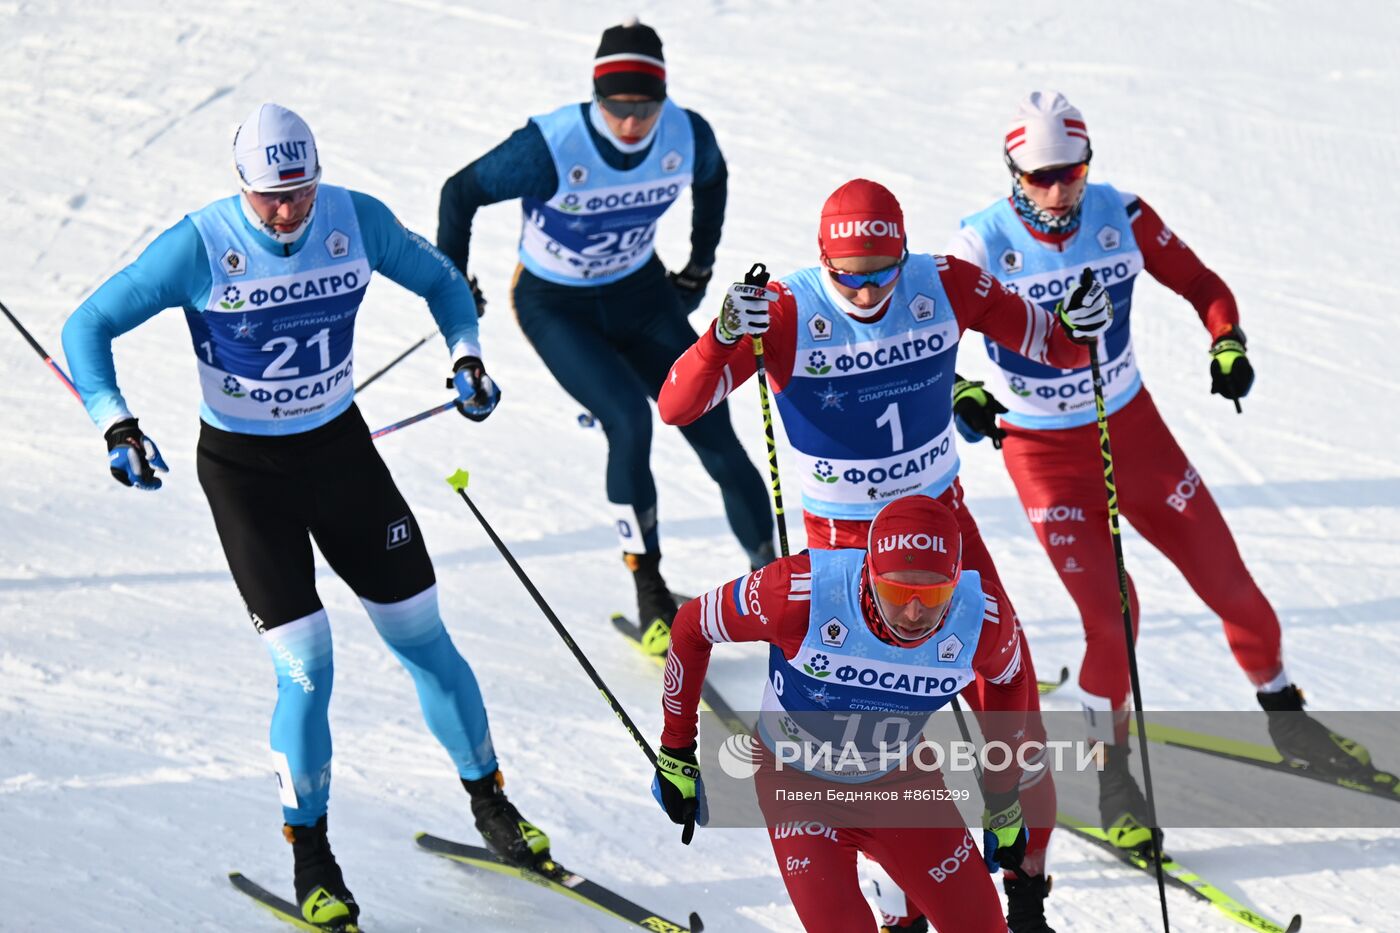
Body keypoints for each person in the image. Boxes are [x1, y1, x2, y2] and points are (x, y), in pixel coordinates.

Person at [61, 103, 550, 931]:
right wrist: (115, 421)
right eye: (269, 199)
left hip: (341, 456)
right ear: (240, 188)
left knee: (423, 636)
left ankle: (490, 802)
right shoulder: (200, 242)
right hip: (247, 477)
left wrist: (464, 355)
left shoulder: (353, 219)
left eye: (300, 192)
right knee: (307, 669)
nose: (288, 212)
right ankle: (312, 856)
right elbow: (88, 324)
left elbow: (439, 282)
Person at [656, 178, 1107, 932]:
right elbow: (676, 406)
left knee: (1014, 702)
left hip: (945, 532)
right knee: (865, 732)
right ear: (821, 263)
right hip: (847, 547)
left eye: (882, 275)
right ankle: (900, 904)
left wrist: (1079, 322)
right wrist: (724, 335)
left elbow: (1054, 343)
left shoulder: (946, 282)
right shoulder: (790, 312)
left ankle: (1024, 894)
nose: (866, 295)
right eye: (848, 279)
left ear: (906, 253)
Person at [945, 89, 1379, 852]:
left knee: (1233, 585)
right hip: (1046, 454)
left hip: (1133, 432)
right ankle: (1113, 776)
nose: (1058, 191)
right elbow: (930, 334)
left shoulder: (1124, 214)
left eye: (1071, 172)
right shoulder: (980, 243)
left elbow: (1206, 287)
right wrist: (963, 392)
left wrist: (1227, 343)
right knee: (1114, 619)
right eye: (1041, 176)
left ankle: (1289, 720)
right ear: (1013, 173)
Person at [437, 18, 774, 652]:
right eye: (616, 108)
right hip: (555, 305)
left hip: (641, 296)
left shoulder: (686, 132)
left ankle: (776, 586)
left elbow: (713, 180)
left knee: (714, 429)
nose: (630, 123)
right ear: (597, 98)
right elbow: (460, 193)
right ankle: (651, 596)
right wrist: (455, 282)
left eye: (644, 107)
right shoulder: (551, 145)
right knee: (628, 419)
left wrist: (699, 268)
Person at [652, 495, 1039, 933]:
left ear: (954, 582)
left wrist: (1004, 799)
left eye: (933, 597)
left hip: (901, 782)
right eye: (896, 592)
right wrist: (677, 749)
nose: (914, 613)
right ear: (868, 572)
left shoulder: (981, 619)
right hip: (798, 784)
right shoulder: (801, 593)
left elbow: (1010, 681)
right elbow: (690, 625)